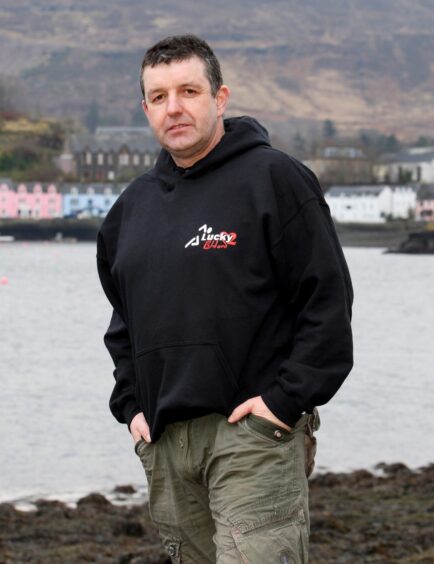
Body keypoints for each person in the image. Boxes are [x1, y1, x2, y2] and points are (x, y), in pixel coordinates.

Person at [96, 34, 353, 563]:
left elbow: (326, 302)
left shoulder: (276, 180)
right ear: (145, 109)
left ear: (221, 98)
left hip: (252, 436)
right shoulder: (130, 210)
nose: (175, 107)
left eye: (189, 90)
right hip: (167, 444)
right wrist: (130, 405)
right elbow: (124, 322)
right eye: (160, 96)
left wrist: (285, 401)